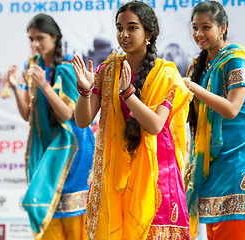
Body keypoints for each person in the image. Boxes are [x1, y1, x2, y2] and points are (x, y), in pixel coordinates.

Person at [72, 1, 192, 239]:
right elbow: (83, 120)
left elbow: (155, 125)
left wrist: (128, 94)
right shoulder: (107, 71)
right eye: (119, 28)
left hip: (156, 179)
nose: (123, 34)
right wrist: (85, 92)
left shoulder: (166, 74)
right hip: (117, 179)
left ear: (148, 34)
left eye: (132, 28)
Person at [183, 1, 245, 239]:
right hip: (216, 155)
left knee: (238, 222)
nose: (199, 34)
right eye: (195, 27)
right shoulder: (200, 65)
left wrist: (193, 88)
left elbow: (233, 109)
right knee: (218, 224)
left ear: (222, 27)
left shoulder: (237, 60)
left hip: (244, 151)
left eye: (206, 27)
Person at [6, 13, 94, 240]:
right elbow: (28, 115)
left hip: (72, 150)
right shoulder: (31, 65)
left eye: (40, 38)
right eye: (31, 39)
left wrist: (44, 85)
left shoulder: (67, 67)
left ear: (55, 37)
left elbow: (68, 114)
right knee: (47, 215)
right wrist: (16, 88)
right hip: (46, 151)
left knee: (74, 220)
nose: (35, 44)